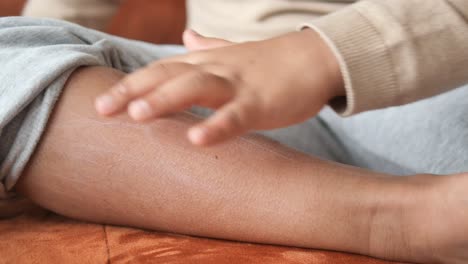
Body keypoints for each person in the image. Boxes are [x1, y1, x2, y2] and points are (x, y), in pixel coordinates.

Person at [2, 0, 468, 263]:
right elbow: (63, 22)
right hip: (216, 83)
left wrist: (319, 58)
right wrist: (47, 89)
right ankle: (410, 216)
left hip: (432, 84)